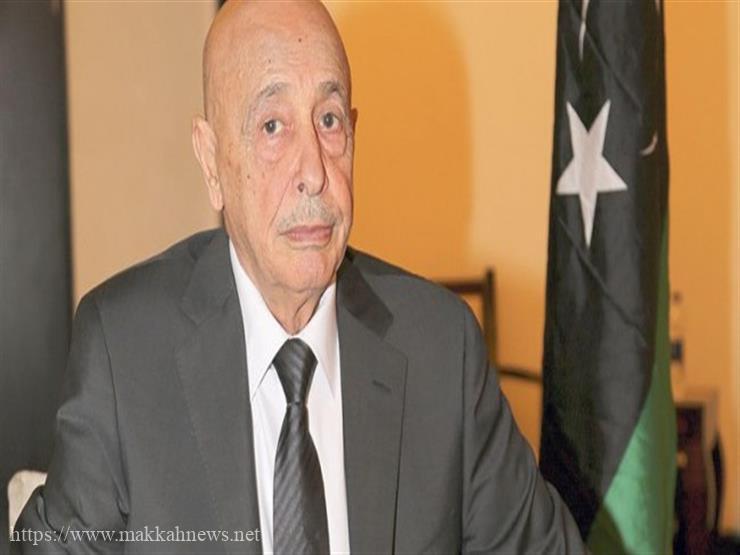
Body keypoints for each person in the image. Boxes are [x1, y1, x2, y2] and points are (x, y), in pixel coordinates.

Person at [16, 1, 585, 553]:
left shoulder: (441, 350)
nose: (313, 171)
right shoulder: (125, 352)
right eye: (272, 126)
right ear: (211, 161)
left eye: (329, 120)